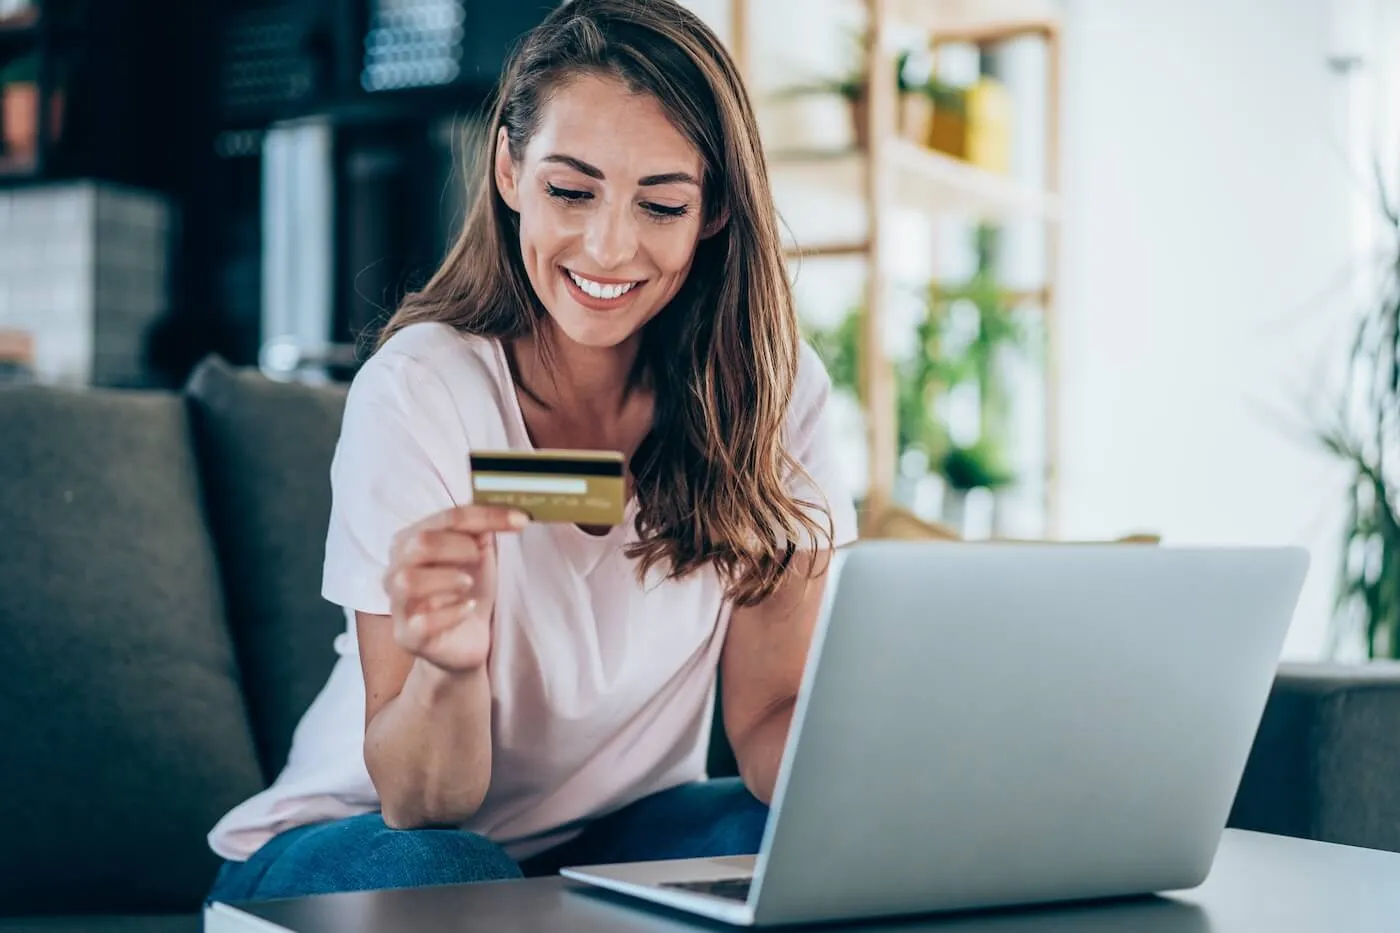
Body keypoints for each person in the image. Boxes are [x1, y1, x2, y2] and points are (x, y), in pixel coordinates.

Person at [205, 0, 857, 903]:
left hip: (605, 837)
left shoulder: (776, 400)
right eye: (570, 190)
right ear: (510, 170)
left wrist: (918, 775)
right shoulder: (421, 388)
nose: (609, 246)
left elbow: (768, 723)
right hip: (363, 841)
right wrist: (450, 663)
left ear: (711, 212)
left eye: (661, 203)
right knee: (460, 876)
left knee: (796, 841)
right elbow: (423, 797)